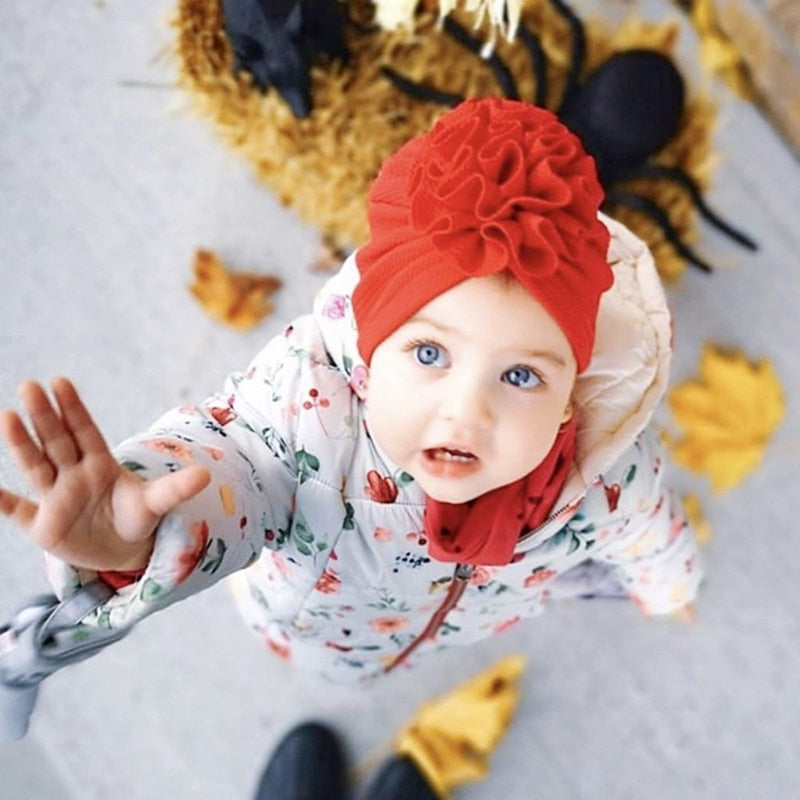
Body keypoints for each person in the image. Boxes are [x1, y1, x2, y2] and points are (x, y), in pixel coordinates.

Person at [0, 99, 701, 694]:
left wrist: (669, 590)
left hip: (472, 615)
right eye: (429, 354)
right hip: (321, 626)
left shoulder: (610, 476)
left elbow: (651, 533)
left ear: (569, 399)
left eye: (521, 376)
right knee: (328, 668)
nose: (466, 411)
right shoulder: (308, 413)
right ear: (373, 343)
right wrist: (144, 529)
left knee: (440, 639)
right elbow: (234, 459)